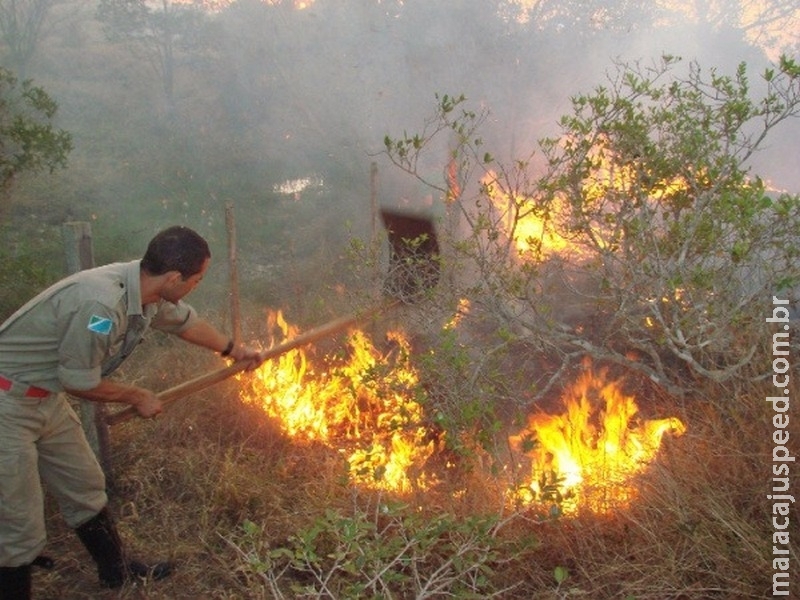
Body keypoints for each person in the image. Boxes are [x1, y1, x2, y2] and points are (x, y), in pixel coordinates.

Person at [0, 225, 263, 599]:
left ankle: (116, 570)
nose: (196, 286)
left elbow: (184, 323)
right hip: (7, 404)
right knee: (17, 521)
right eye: (197, 279)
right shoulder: (102, 306)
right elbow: (78, 380)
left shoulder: (143, 290)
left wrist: (234, 350)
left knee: (85, 485)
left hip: (45, 398)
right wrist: (137, 395)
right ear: (174, 277)